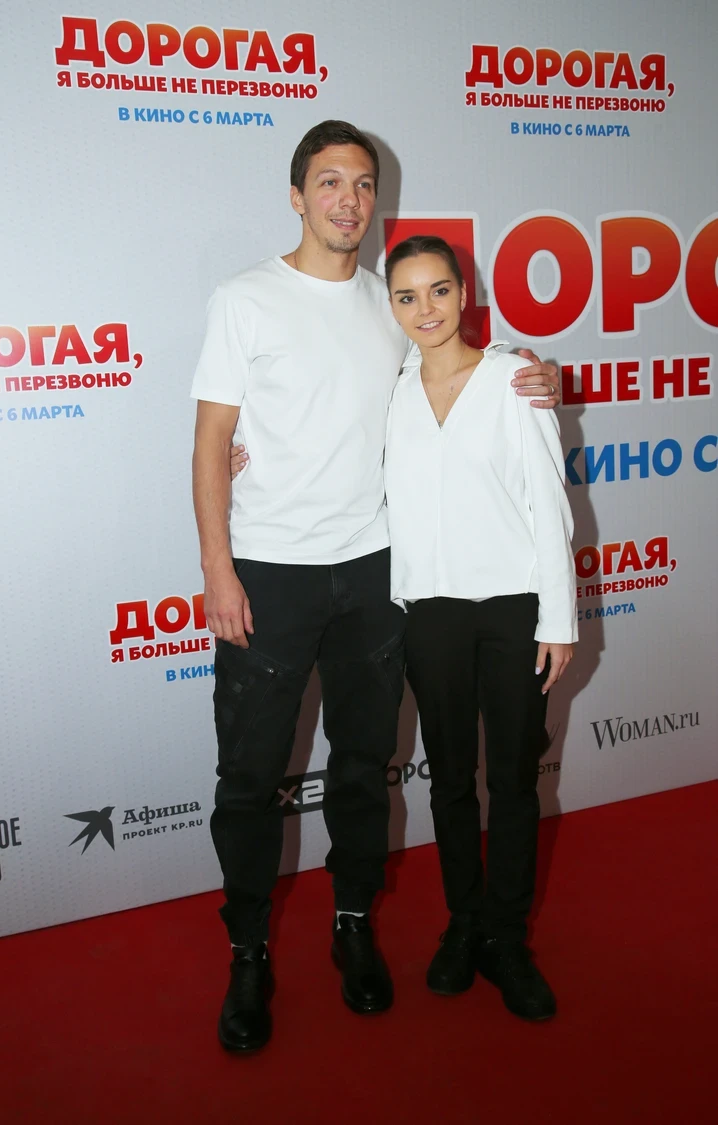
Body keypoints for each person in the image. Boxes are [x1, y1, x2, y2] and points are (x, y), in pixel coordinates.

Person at [191, 119, 561, 1052]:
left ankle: (352, 922)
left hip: (372, 571)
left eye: (362, 184)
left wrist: (538, 375)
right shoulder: (243, 298)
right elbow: (210, 439)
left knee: (363, 767)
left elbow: (456, 374)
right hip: (268, 573)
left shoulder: (388, 302)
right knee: (249, 777)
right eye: (329, 182)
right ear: (296, 195)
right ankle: (247, 950)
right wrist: (217, 568)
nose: (348, 200)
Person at [383, 235, 577, 1021]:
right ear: (391, 307)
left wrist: (558, 619)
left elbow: (548, 502)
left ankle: (507, 935)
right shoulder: (390, 390)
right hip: (429, 614)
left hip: (512, 610)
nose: (425, 309)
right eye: (406, 296)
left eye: (438, 290)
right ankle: (464, 921)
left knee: (515, 780)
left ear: (464, 293)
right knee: (452, 779)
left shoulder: (510, 380)